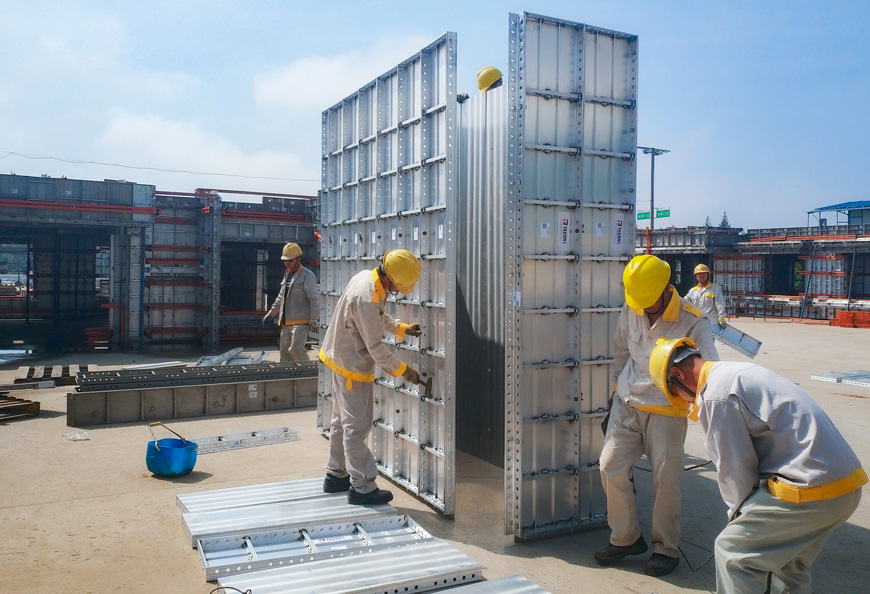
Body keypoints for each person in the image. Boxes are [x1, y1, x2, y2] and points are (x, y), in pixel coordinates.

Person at [649, 337, 867, 594]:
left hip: (811, 490)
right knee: (787, 564)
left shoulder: (716, 395)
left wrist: (738, 521)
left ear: (677, 374)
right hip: (845, 487)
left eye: (677, 395)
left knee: (734, 552)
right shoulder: (737, 372)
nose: (686, 401)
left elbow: (735, 472)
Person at [595, 254, 718, 577]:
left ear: (666, 289)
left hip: (666, 410)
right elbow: (621, 351)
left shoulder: (693, 321)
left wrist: (700, 412)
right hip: (628, 403)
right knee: (610, 466)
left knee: (666, 480)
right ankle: (625, 538)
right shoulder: (633, 306)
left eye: (650, 302)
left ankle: (666, 547)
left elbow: (708, 371)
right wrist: (615, 393)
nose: (644, 309)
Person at [318, 249, 423, 505]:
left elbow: (377, 317)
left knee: (341, 422)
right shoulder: (367, 297)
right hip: (351, 366)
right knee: (357, 426)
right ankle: (362, 487)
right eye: (397, 288)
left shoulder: (367, 278)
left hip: (340, 357)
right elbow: (376, 348)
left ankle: (336, 474)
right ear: (390, 279)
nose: (395, 292)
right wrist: (403, 371)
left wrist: (400, 328)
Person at [262, 242, 320, 361]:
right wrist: (270, 314)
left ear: (298, 259)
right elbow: (280, 298)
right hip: (286, 322)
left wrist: (314, 319)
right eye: (285, 260)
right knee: (284, 353)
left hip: (301, 321)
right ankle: (287, 377)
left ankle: (306, 373)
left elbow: (314, 299)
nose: (287, 263)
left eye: (290, 260)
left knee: (296, 349)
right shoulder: (287, 275)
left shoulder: (307, 276)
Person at [685, 263, 727, 328]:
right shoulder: (692, 291)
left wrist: (721, 318)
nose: (702, 276)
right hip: (697, 322)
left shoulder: (715, 289)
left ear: (707, 275)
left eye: (704, 274)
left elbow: (720, 304)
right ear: (696, 276)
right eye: (699, 274)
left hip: (710, 322)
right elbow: (685, 302)